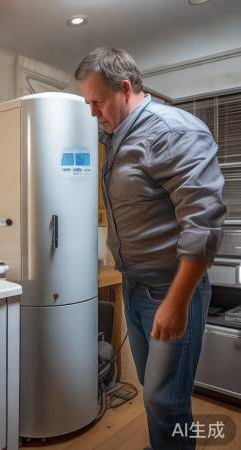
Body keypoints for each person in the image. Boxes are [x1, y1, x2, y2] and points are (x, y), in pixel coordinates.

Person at [75, 47, 226, 450]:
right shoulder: (116, 135)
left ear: (125, 88)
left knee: (167, 399)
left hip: (171, 289)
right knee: (154, 391)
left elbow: (204, 222)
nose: (92, 112)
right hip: (136, 286)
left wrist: (177, 302)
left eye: (97, 101)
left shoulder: (173, 131)